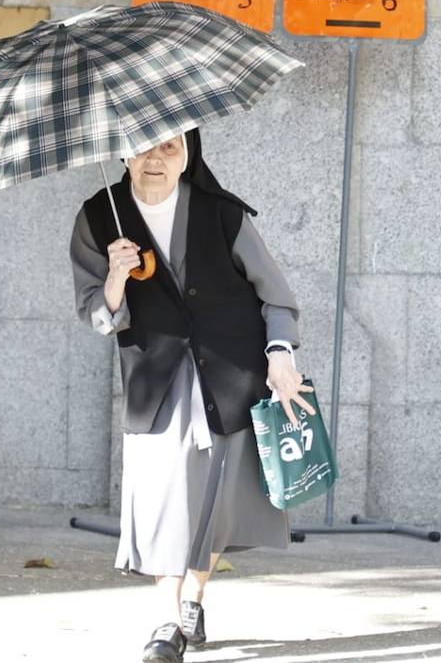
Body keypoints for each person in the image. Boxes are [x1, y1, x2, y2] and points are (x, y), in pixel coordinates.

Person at [70, 130, 311, 663]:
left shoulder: (222, 214)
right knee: (161, 495)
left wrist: (280, 353)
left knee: (215, 498)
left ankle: (193, 600)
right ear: (123, 152)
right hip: (155, 375)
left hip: (230, 369)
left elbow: (276, 295)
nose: (156, 159)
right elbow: (98, 315)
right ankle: (166, 619)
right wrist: (115, 275)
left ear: (188, 155)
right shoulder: (97, 217)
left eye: (170, 148)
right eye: (144, 147)